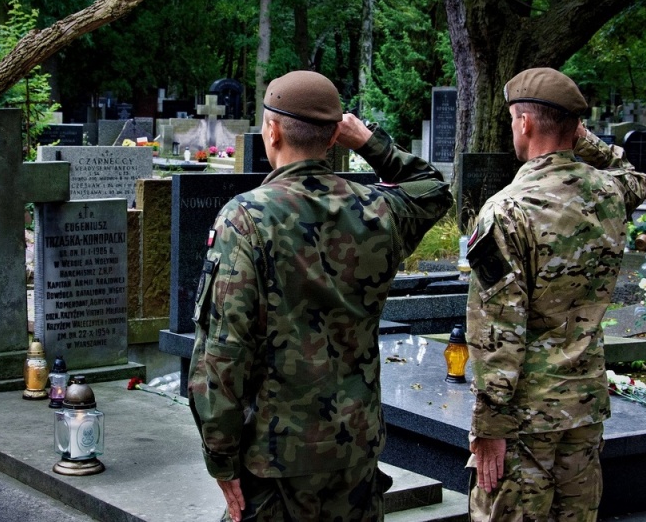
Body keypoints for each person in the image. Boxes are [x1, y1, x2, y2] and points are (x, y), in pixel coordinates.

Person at [187, 70, 453, 522]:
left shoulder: (246, 219)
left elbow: (223, 351)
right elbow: (433, 188)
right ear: (334, 138)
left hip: (278, 461)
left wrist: (220, 456)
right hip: (356, 451)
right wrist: (367, 141)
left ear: (271, 131)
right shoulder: (379, 210)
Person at [464, 67, 646, 521]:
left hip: (526, 418)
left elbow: (497, 332)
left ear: (524, 123)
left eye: (512, 120)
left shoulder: (507, 209)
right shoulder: (608, 192)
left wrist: (488, 426)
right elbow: (634, 174)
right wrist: (584, 141)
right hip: (583, 410)